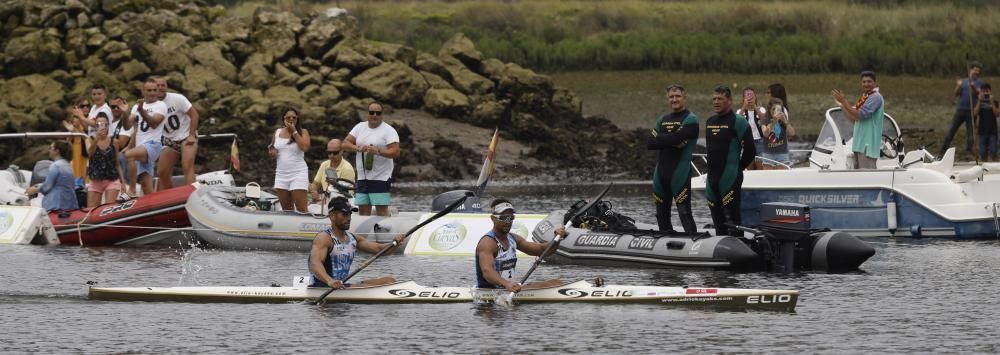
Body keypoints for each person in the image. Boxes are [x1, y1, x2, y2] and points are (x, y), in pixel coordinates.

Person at [308, 196, 405, 289]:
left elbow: (379, 249)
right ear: (332, 216)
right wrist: (330, 281)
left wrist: (394, 243)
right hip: (323, 287)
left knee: (389, 280)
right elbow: (315, 264)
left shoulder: (352, 238)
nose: (349, 218)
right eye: (345, 214)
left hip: (341, 286)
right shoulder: (324, 238)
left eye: (350, 214)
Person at [475, 199, 568, 292]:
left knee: (555, 283)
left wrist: (556, 239)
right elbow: (487, 272)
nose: (508, 222)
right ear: (493, 218)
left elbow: (542, 250)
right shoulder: (487, 243)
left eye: (511, 218)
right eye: (504, 218)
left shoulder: (513, 239)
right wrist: (507, 284)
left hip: (509, 290)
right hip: (489, 293)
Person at [646, 84, 698, 235]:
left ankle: (693, 242)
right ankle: (665, 244)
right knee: (661, 214)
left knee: (684, 213)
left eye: (678, 96)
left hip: (679, 174)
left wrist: (662, 138)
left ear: (684, 98)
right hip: (660, 175)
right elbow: (650, 143)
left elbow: (671, 139)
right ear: (667, 99)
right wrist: (673, 140)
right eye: (671, 97)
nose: (674, 99)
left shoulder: (691, 119)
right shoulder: (663, 119)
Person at [704, 86, 755, 236]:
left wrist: (737, 168)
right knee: (718, 222)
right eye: (714, 99)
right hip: (712, 180)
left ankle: (739, 251)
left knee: (732, 222)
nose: (716, 102)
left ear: (730, 101)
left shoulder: (738, 122)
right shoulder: (710, 121)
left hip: (730, 178)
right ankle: (721, 252)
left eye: (720, 99)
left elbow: (751, 151)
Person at [343, 103, 400, 216]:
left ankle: (384, 232)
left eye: (378, 113)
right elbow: (345, 144)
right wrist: (358, 148)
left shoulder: (389, 130)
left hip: (380, 177)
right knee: (363, 212)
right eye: (371, 112)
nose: (374, 115)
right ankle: (364, 234)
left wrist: (378, 151)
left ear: (382, 115)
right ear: (367, 114)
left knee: (381, 212)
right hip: (362, 177)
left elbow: (396, 152)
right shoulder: (359, 127)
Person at [154, 77, 200, 191]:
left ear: (166, 87)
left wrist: (191, 135)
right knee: (162, 171)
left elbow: (194, 115)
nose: (160, 88)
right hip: (169, 140)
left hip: (186, 136)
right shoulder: (150, 105)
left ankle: (192, 195)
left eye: (163, 85)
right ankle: (170, 197)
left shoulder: (177, 98)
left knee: (187, 166)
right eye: (157, 86)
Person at [123, 79, 168, 195]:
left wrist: (141, 110)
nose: (152, 93)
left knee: (129, 155)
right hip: (141, 147)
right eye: (149, 90)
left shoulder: (161, 105)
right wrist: (124, 113)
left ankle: (132, 189)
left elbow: (154, 123)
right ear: (143, 92)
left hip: (153, 145)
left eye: (154, 90)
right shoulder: (137, 106)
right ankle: (153, 208)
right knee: (145, 184)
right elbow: (127, 126)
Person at [832, 70, 884, 170]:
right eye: (864, 82)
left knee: (867, 178)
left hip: (867, 147)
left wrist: (844, 101)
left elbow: (860, 114)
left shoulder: (876, 97)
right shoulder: (865, 97)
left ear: (874, 82)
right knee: (859, 177)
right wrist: (842, 105)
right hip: (859, 145)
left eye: (869, 81)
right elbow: (853, 118)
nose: (866, 84)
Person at [268, 108, 311, 213]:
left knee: (301, 209)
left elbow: (305, 147)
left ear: (297, 119)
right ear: (284, 119)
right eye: (288, 117)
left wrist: (294, 132)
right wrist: (272, 152)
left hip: (298, 173)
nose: (291, 119)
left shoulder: (303, 132)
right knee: (287, 210)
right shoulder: (277, 132)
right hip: (281, 174)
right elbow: (272, 147)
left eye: (294, 117)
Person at [941, 62, 983, 158]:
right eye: (974, 70)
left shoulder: (980, 82)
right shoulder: (963, 81)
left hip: (971, 111)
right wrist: (958, 85)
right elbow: (956, 94)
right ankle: (943, 150)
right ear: (970, 70)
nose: (976, 72)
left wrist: (973, 86)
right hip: (960, 110)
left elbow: (979, 93)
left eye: (978, 71)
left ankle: (969, 151)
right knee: (951, 130)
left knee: (970, 133)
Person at [24, 141, 79, 212]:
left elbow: (47, 187)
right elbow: (58, 183)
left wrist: (33, 190)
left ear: (57, 151)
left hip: (57, 202)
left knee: (28, 204)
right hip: (70, 202)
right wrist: (39, 186)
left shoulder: (55, 166)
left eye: (50, 148)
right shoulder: (68, 165)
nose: (49, 150)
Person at [85, 113, 124, 207]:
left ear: (108, 126)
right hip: (95, 180)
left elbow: (118, 163)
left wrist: (123, 183)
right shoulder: (89, 140)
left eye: (105, 125)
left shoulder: (114, 141)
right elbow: (90, 153)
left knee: (109, 211)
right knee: (91, 211)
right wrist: (97, 138)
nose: (102, 127)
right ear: (95, 126)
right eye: (99, 124)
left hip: (112, 179)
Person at [109, 96, 137, 197]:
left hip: (121, 158)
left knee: (121, 157)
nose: (116, 109)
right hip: (110, 157)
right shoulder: (107, 122)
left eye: (118, 106)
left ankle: (127, 189)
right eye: (113, 107)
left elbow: (120, 143)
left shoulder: (125, 123)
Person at [759, 98, 796, 169]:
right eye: (773, 109)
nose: (775, 111)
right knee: (768, 178)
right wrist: (773, 122)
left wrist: (785, 121)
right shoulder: (765, 119)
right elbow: (765, 134)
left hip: (782, 154)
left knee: (781, 178)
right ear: (769, 110)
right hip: (768, 154)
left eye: (778, 109)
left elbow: (792, 133)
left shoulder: (784, 119)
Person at [736, 86, 767, 170]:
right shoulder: (740, 111)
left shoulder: (761, 109)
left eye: (751, 95)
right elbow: (736, 122)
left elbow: (764, 119)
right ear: (743, 98)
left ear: (755, 97)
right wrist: (744, 107)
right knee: (749, 165)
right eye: (747, 96)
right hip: (747, 142)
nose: (749, 98)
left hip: (760, 141)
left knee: (761, 165)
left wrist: (755, 107)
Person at [976, 83, 999, 161]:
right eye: (983, 91)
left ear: (990, 92)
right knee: (983, 153)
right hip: (982, 131)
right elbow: (975, 113)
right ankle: (984, 169)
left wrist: (992, 102)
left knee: (993, 152)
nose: (985, 93)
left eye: (987, 91)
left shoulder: (995, 102)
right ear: (981, 92)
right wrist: (979, 101)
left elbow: (997, 114)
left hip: (992, 131)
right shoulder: (979, 102)